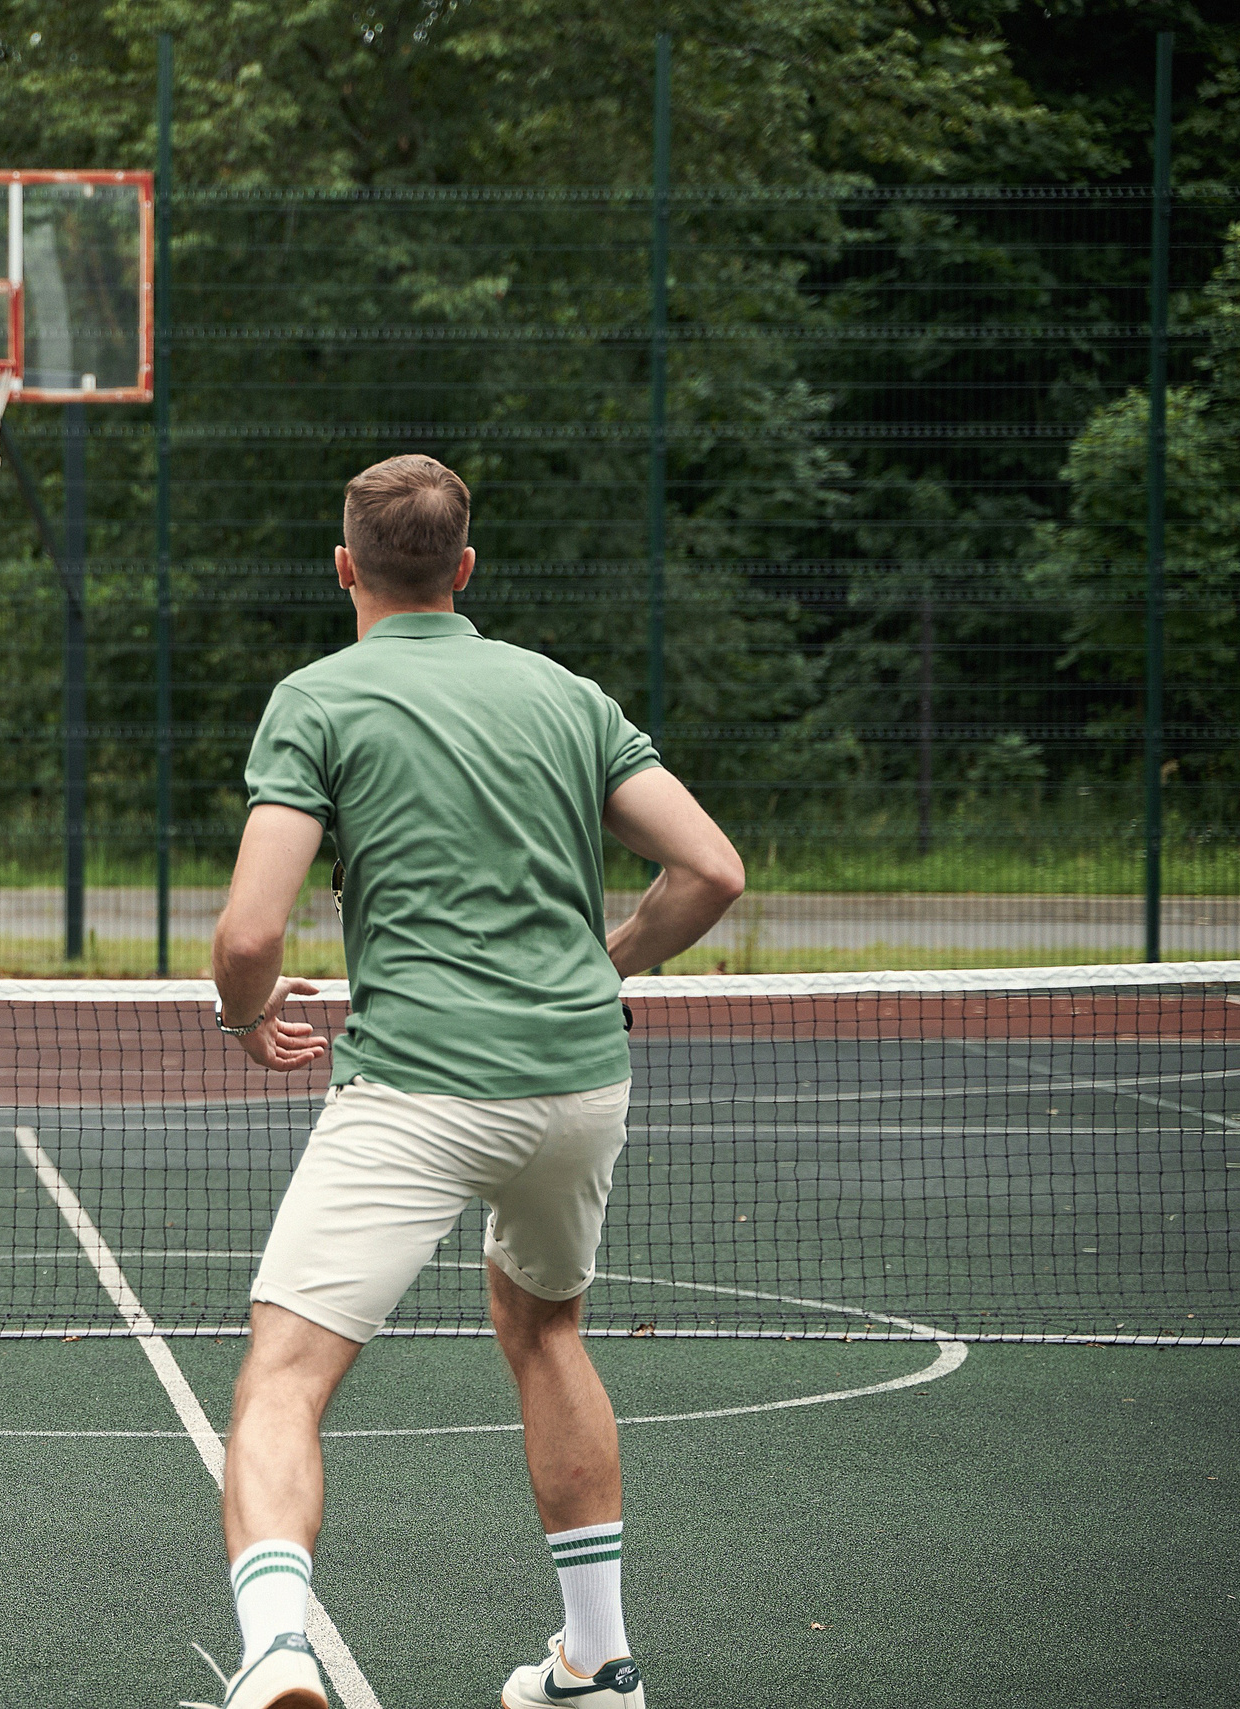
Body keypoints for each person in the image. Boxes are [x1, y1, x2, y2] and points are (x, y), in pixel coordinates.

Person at [199, 455, 745, 1709]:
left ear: (345, 569)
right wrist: (600, 966)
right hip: (577, 1079)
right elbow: (709, 870)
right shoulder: (565, 694)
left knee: (283, 1373)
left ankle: (278, 1649)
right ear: (465, 568)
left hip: (418, 1085)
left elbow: (247, 938)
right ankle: (597, 1660)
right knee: (548, 1330)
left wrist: (243, 1022)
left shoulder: (315, 699)